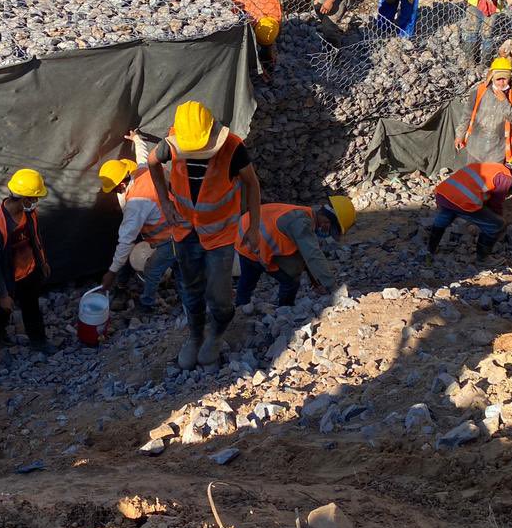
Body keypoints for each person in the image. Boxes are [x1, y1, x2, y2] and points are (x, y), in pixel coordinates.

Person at [148, 100, 261, 370]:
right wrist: (164, 202)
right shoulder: (171, 144)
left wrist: (254, 227)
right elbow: (152, 162)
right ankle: (196, 335)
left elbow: (252, 184)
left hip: (220, 234)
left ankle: (216, 334)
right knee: (190, 288)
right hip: (185, 232)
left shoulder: (232, 148)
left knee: (219, 294)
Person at [96, 131, 187, 314]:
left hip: (171, 237)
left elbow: (125, 241)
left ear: (121, 184)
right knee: (179, 268)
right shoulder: (142, 171)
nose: (115, 193)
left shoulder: (137, 203)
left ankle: (147, 304)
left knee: (153, 270)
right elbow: (143, 157)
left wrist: (111, 272)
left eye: (114, 189)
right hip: (179, 229)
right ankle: (188, 300)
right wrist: (137, 140)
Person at [0, 168, 55, 361]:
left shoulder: (29, 213)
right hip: (3, 277)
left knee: (32, 307)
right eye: (34, 199)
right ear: (24, 199)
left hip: (27, 271)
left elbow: (35, 238)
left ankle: (38, 341)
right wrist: (3, 294)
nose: (36, 203)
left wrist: (42, 262)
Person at [234, 196, 354, 309]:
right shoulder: (301, 223)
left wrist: (315, 282)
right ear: (325, 219)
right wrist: (333, 288)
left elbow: (305, 254)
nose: (326, 230)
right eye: (329, 227)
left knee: (248, 276)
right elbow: (312, 255)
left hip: (244, 235)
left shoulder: (304, 214)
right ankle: (286, 309)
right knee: (290, 278)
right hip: (253, 241)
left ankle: (241, 307)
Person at [427, 158, 512, 260]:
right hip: (462, 202)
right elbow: (495, 203)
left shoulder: (491, 167)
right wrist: (497, 219)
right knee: (496, 225)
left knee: (444, 217)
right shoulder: (506, 177)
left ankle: (430, 250)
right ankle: (483, 259)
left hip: (443, 194)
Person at [455, 57, 512, 163]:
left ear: (510, 78)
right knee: (473, 177)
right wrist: (460, 135)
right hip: (475, 148)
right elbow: (467, 114)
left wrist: (504, 102)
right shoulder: (479, 91)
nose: (501, 83)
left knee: (491, 179)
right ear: (492, 77)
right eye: (498, 79)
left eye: (504, 79)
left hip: (497, 153)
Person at [231, 0, 282, 79]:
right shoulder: (252, 19)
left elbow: (233, 10)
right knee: (239, 18)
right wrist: (258, 66)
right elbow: (235, 11)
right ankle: (265, 58)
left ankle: (266, 56)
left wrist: (271, 50)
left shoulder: (277, 17)